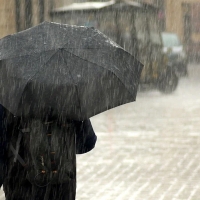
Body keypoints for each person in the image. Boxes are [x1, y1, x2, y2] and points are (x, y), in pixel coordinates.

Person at [0, 104, 97, 199]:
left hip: (21, 184)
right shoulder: (69, 97)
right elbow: (87, 143)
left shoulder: (9, 98)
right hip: (62, 184)